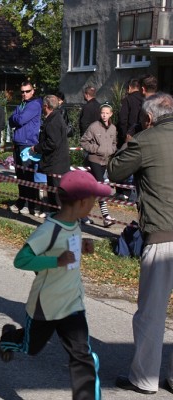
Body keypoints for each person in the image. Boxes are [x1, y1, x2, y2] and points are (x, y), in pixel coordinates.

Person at [0, 169, 107, 399]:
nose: (94, 206)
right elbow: (22, 259)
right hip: (45, 305)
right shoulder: (48, 229)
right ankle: (8, 338)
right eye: (93, 202)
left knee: (82, 356)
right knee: (31, 348)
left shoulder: (75, 223)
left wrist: (82, 245)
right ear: (82, 202)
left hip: (72, 302)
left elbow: (68, 248)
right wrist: (55, 261)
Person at [108, 93, 173, 395]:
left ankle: (145, 378)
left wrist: (131, 136)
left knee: (152, 312)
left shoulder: (147, 139)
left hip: (163, 235)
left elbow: (115, 169)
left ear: (148, 118)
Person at [30, 95, 71, 216]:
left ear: (46, 106)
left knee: (57, 194)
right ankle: (54, 217)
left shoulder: (54, 121)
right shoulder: (55, 118)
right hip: (54, 162)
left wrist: (36, 148)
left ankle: (62, 219)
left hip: (56, 163)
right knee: (53, 193)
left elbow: (52, 143)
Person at [80, 103, 117, 227]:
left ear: (111, 114)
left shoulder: (113, 128)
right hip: (94, 159)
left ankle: (81, 213)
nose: (104, 115)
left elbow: (114, 143)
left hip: (105, 161)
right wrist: (96, 148)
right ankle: (106, 217)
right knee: (101, 186)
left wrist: (111, 150)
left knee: (92, 190)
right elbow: (83, 141)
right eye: (102, 113)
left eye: (107, 113)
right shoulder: (94, 127)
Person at [9, 81, 43, 215]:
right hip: (18, 142)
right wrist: (15, 117)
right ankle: (22, 201)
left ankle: (30, 204)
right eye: (22, 91)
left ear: (32, 91)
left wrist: (15, 117)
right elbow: (11, 120)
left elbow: (20, 120)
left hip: (28, 143)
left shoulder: (34, 105)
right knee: (20, 175)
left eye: (27, 91)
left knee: (28, 175)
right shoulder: (22, 104)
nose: (24, 94)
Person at [117, 79, 143, 147]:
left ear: (129, 87)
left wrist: (124, 135)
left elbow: (122, 120)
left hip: (129, 136)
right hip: (142, 135)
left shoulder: (127, 99)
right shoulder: (145, 99)